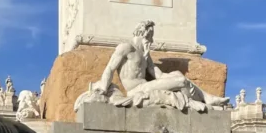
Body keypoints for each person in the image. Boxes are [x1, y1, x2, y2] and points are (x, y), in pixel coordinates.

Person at [76, 20, 230, 113]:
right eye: (150, 36)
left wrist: (176, 76)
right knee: (181, 82)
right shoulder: (125, 48)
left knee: (177, 73)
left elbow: (159, 76)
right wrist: (103, 87)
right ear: (142, 33)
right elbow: (110, 68)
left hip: (147, 86)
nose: (151, 39)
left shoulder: (145, 54)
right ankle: (205, 100)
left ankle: (205, 98)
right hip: (136, 90)